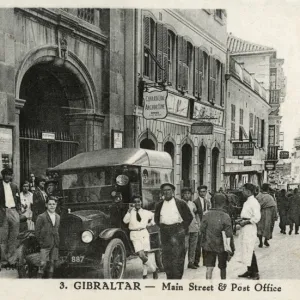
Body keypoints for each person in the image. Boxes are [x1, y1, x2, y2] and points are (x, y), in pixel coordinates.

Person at [154, 183, 193, 279]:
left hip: (177, 231)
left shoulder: (180, 203)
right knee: (166, 256)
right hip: (164, 232)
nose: (166, 192)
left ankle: (177, 278)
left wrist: (182, 228)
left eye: (168, 190)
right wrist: (163, 227)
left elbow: (189, 217)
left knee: (178, 256)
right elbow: (156, 219)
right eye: (164, 190)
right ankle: (169, 277)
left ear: (173, 191)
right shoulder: (159, 204)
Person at [200, 193, 235, 279]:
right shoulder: (225, 216)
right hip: (221, 246)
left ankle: (208, 286)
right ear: (224, 203)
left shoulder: (206, 215)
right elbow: (229, 234)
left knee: (209, 267)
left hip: (208, 245)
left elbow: (201, 230)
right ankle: (223, 284)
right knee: (223, 267)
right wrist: (232, 248)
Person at [123, 195, 158, 279]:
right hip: (134, 234)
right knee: (141, 255)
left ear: (141, 202)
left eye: (138, 201)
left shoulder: (145, 212)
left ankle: (144, 274)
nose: (137, 203)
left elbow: (154, 215)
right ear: (133, 203)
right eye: (135, 202)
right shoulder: (130, 212)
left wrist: (151, 223)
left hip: (144, 233)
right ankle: (154, 269)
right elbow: (125, 221)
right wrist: (128, 212)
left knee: (145, 254)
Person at [237, 183, 261, 280]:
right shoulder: (247, 201)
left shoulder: (254, 202)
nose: (242, 192)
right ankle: (249, 270)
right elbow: (246, 214)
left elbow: (257, 217)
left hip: (249, 227)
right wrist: (240, 220)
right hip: (245, 227)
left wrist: (246, 222)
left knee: (250, 249)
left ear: (248, 191)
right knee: (245, 249)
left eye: (243, 190)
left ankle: (255, 272)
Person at [0, 168, 21, 269]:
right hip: (3, 212)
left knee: (14, 237)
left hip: (13, 211)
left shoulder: (14, 186)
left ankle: (12, 260)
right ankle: (4, 261)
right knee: (3, 238)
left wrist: (18, 211)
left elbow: (18, 200)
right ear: (3, 175)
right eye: (6, 175)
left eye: (10, 175)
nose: (8, 177)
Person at [35, 196, 60, 278]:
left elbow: (57, 230)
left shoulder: (58, 217)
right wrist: (41, 242)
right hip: (45, 244)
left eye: (53, 204)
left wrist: (57, 241)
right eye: (50, 204)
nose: (52, 206)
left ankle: (50, 280)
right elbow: (37, 232)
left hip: (55, 243)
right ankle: (39, 280)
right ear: (46, 205)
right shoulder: (41, 217)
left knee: (52, 263)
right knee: (43, 263)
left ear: (56, 205)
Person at [181, 187, 199, 269]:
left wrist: (198, 224)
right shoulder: (180, 204)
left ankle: (191, 262)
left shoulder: (192, 204)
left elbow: (196, 214)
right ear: (182, 195)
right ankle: (181, 263)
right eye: (185, 194)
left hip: (194, 227)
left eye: (189, 194)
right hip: (185, 228)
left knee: (193, 246)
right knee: (184, 246)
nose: (187, 195)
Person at [193, 185, 210, 267]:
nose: (202, 193)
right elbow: (195, 215)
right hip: (199, 225)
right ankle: (196, 262)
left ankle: (206, 261)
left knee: (206, 243)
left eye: (204, 191)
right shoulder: (195, 202)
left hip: (206, 225)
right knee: (198, 244)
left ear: (206, 192)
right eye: (201, 192)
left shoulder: (208, 202)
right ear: (198, 192)